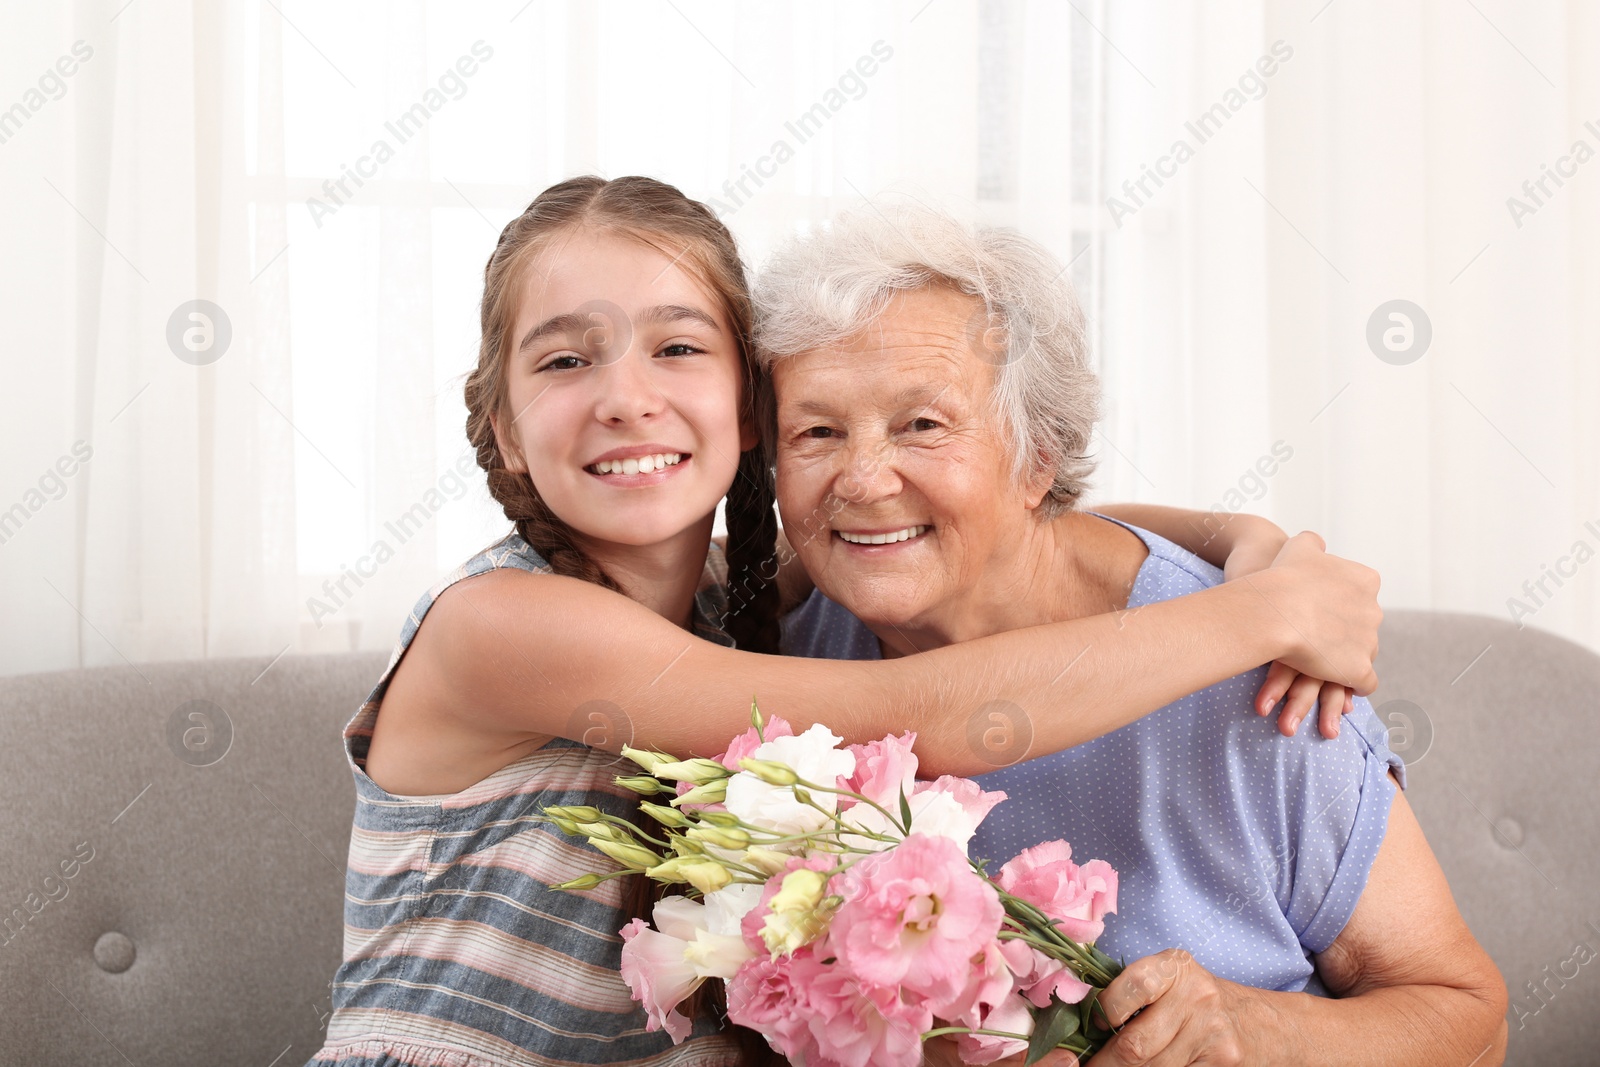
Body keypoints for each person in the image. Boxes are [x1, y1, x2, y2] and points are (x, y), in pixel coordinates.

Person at [305, 176, 1382, 1067]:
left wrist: (1243, 540)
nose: (626, 397)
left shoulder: (728, 607)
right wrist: (1260, 608)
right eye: (564, 358)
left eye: (676, 349)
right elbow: (906, 712)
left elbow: (1002, 514)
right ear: (499, 423)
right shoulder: (505, 626)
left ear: (750, 411)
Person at [761, 204, 1509, 1066]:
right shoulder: (784, 633)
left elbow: (1472, 1017)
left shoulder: (1255, 671)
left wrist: (1270, 1030)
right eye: (815, 431)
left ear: (1039, 455)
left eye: (922, 424)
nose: (859, 479)